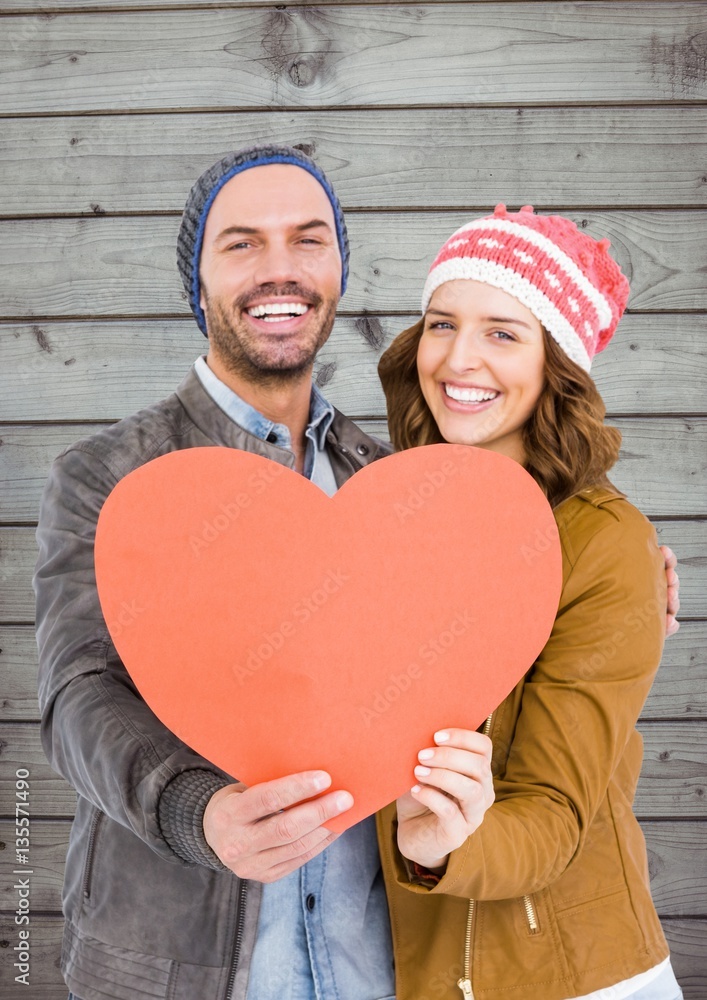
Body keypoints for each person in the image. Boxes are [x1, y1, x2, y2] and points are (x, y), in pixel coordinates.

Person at [34, 147, 679, 1000]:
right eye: (240, 244)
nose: (279, 269)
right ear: (196, 280)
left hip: (377, 966)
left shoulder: (392, 482)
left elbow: (527, 530)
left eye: (308, 239)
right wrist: (197, 812)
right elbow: (76, 694)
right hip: (181, 972)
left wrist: (621, 569)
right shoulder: (109, 476)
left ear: (339, 267)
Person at [376, 204, 684, 999]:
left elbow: (552, 815)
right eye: (441, 324)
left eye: (503, 333)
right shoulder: (391, 517)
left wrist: (442, 844)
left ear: (558, 366)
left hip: (574, 977)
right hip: (417, 973)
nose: (458, 359)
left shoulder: (605, 546)